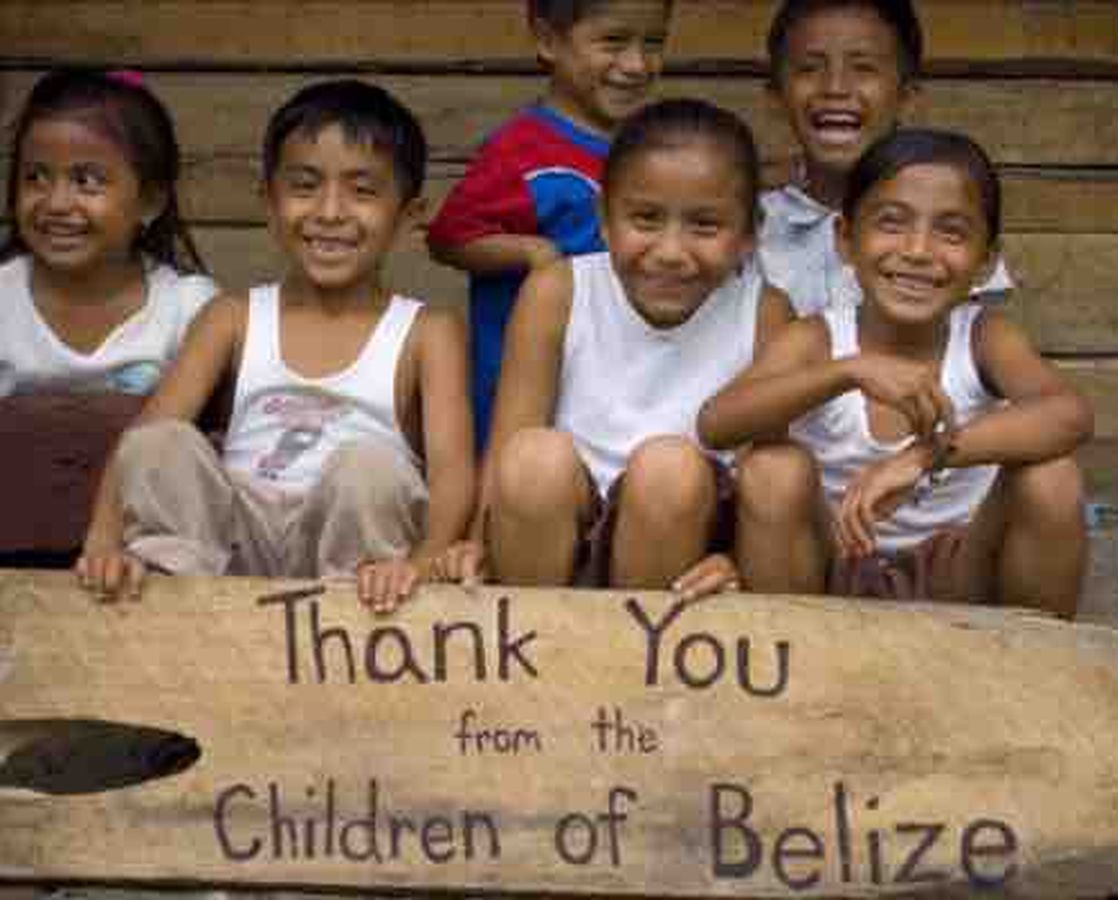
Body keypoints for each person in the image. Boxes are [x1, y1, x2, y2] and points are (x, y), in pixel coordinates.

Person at [75, 79, 475, 614]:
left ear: (407, 216)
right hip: (229, 546)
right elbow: (144, 440)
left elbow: (451, 472)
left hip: (356, 568)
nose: (330, 212)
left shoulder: (427, 331)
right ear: (269, 202)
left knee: (370, 468)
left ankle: (342, 627)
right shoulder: (233, 317)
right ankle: (174, 601)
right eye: (305, 186)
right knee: (160, 444)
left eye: (362, 191)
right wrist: (102, 541)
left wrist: (422, 563)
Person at [699, 128, 1091, 618]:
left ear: (986, 261)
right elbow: (717, 423)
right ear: (845, 239)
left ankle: (1033, 658)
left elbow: (1069, 414)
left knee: (1052, 477)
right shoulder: (819, 338)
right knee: (773, 469)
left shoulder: (983, 337)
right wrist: (848, 371)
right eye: (891, 223)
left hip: (957, 577)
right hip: (827, 574)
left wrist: (926, 456)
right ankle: (790, 655)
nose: (918, 250)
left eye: (951, 232)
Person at [437, 98, 795, 599]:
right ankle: (537, 637)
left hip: (687, 562)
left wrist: (737, 560)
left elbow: (763, 474)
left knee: (668, 469)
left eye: (705, 226)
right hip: (554, 542)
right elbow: (508, 444)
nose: (670, 252)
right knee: (533, 458)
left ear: (749, 234)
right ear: (604, 218)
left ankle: (640, 647)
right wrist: (477, 543)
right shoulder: (558, 291)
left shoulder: (764, 313)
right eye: (646, 219)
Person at [427, 0, 673, 449]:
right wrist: (533, 253)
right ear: (548, 40)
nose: (637, 64)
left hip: (619, 392)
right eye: (613, 42)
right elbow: (449, 237)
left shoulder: (656, 148)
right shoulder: (520, 152)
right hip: (524, 404)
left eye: (653, 43)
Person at [757, 0, 1011, 315]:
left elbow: (979, 332)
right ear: (776, 97)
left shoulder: (947, 224)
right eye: (809, 68)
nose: (835, 87)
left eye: (863, 68)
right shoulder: (751, 227)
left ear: (905, 98)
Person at [0, 68, 215, 398]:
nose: (56, 203)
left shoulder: (188, 309)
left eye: (86, 181)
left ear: (150, 202)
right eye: (35, 177)